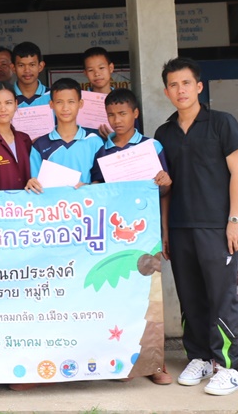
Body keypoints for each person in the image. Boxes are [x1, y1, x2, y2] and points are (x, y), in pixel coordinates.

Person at [154, 57, 238, 396]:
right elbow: (166, 189)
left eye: (185, 83)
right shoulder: (163, 133)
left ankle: (232, 366)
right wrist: (165, 231)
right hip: (180, 227)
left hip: (216, 226)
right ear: (166, 91)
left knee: (221, 297)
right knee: (190, 298)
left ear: (198, 86)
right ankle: (200, 358)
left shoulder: (222, 123)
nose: (180, 90)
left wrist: (234, 219)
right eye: (173, 85)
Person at [88, 88, 174, 386]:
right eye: (111, 115)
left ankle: (156, 364)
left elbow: (165, 190)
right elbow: (97, 191)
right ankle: (124, 362)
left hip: (146, 235)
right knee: (119, 298)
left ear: (135, 114)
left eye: (123, 113)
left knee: (151, 300)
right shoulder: (102, 152)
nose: (117, 120)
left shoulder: (152, 146)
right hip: (114, 237)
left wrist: (165, 183)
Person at [27, 78, 103, 191]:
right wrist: (32, 183)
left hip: (85, 201)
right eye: (59, 102)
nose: (65, 108)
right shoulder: (40, 145)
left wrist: (88, 188)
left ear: (80, 104)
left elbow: (101, 181)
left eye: (71, 102)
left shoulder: (94, 141)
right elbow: (35, 182)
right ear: (51, 104)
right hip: (52, 202)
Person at [11, 41, 50, 108]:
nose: (27, 70)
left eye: (32, 65)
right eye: (21, 65)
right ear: (13, 68)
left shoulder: (53, 96)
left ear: (40, 66)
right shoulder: (4, 97)